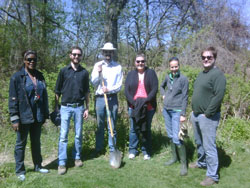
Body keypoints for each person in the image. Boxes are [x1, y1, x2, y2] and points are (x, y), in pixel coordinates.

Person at [8, 50, 49, 181]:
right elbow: (12, 99)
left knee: (36, 142)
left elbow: (44, 96)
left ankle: (38, 165)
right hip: (23, 116)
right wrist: (14, 118)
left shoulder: (40, 76)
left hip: (37, 116)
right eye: (29, 59)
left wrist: (45, 114)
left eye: (34, 59)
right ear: (24, 60)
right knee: (21, 143)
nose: (32, 62)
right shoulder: (17, 77)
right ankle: (20, 170)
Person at [190, 47, 226, 186]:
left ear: (214, 58)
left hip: (208, 117)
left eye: (209, 57)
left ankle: (212, 176)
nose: (206, 59)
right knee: (199, 142)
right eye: (203, 57)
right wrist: (194, 111)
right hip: (196, 115)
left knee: (209, 146)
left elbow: (218, 96)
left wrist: (208, 113)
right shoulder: (202, 74)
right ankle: (201, 162)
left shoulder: (218, 75)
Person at [55, 46, 89, 175]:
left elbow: (87, 92)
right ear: (70, 55)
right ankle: (62, 163)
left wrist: (87, 108)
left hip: (79, 108)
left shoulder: (84, 73)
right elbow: (57, 91)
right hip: (65, 107)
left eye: (79, 55)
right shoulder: (63, 71)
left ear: (81, 57)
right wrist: (56, 107)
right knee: (63, 136)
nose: (76, 57)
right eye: (74, 54)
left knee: (78, 134)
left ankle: (77, 157)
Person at [91, 42, 123, 156]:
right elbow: (93, 82)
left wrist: (109, 90)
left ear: (113, 53)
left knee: (112, 125)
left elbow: (119, 85)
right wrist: (98, 73)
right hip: (100, 98)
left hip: (112, 98)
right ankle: (99, 149)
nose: (108, 54)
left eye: (110, 52)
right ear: (103, 52)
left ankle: (112, 149)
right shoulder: (98, 65)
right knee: (100, 125)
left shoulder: (118, 67)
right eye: (106, 52)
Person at [125, 53, 158, 160]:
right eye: (138, 61)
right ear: (135, 62)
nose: (140, 63)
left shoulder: (151, 73)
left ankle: (146, 151)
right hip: (133, 106)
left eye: (142, 61)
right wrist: (134, 103)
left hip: (148, 107)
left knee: (146, 129)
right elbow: (126, 91)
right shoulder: (130, 74)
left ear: (145, 62)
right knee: (134, 129)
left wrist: (145, 101)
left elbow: (154, 89)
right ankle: (132, 150)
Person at [160, 57, 189, 176]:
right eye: (172, 67)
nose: (174, 69)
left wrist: (183, 113)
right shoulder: (167, 77)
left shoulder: (183, 79)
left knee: (178, 138)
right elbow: (161, 87)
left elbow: (185, 96)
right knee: (171, 135)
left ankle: (184, 164)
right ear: (169, 67)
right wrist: (163, 95)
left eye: (176, 66)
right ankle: (174, 158)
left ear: (179, 66)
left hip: (177, 111)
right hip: (166, 110)